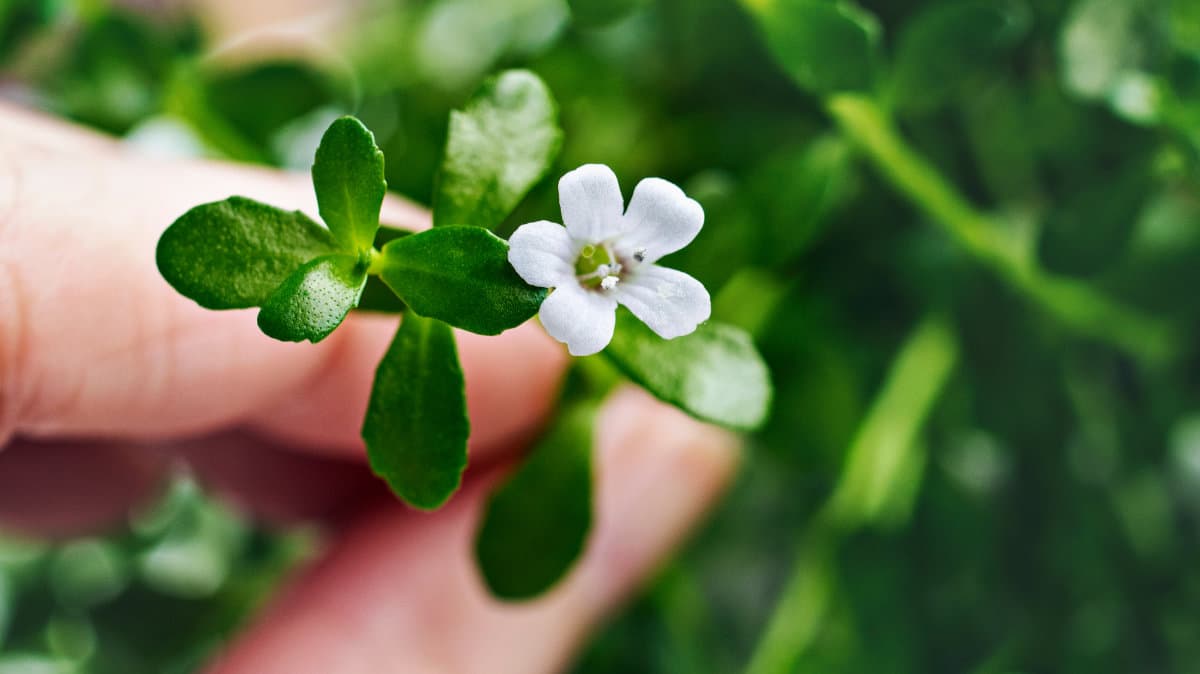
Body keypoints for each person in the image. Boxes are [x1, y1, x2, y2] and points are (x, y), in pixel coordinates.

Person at [0, 104, 737, 672]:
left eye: (609, 264)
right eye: (599, 260)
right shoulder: (556, 262)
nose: (605, 265)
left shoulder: (626, 288)